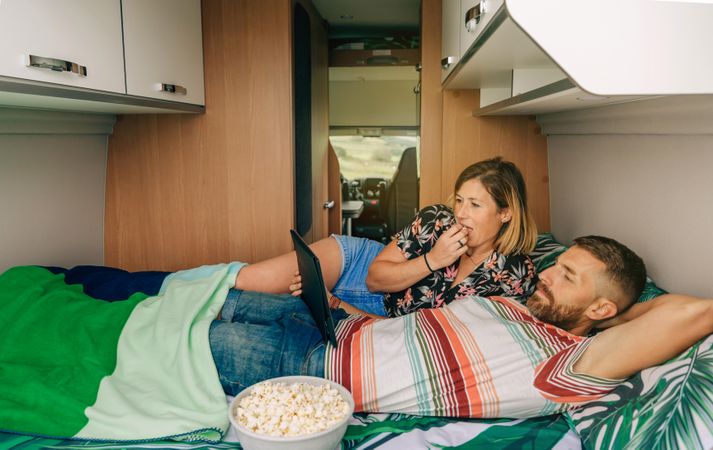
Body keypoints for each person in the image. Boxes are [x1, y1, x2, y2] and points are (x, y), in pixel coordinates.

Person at [210, 235, 713, 418]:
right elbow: (411, 333)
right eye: (554, 265)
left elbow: (693, 312)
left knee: (174, 342)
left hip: (311, 367)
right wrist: (343, 310)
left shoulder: (566, 368)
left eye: (566, 276)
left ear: (603, 309)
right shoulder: (513, 306)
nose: (544, 274)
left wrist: (616, 320)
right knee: (205, 299)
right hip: (334, 325)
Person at [235, 157, 539, 318]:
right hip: (359, 263)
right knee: (245, 282)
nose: (460, 213)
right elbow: (375, 279)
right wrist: (434, 259)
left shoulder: (515, 276)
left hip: (379, 315)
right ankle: (190, 287)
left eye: (475, 205)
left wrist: (335, 305)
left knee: (271, 307)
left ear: (506, 213)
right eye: (459, 200)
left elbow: (419, 336)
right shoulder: (436, 220)